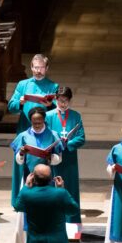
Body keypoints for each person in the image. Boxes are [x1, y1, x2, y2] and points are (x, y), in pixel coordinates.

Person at [45, 86, 86, 226]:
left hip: (69, 158)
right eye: (60, 100)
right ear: (56, 99)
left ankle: (73, 225)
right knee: (52, 187)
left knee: (71, 189)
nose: (63, 104)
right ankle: (53, 223)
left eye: (66, 101)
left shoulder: (76, 116)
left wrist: (68, 144)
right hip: (53, 158)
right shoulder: (49, 116)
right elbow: (46, 136)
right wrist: (56, 144)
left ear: (70, 101)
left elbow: (81, 137)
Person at [10, 107, 64, 209]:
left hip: (48, 177)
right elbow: (19, 161)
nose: (37, 125)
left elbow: (59, 159)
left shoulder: (53, 135)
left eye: (39, 122)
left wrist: (51, 157)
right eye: (34, 123)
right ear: (31, 121)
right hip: (30, 176)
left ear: (44, 120)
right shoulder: (23, 136)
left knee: (47, 206)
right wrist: (21, 154)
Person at [8, 53, 59, 133]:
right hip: (25, 129)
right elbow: (11, 108)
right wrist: (20, 103)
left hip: (44, 130)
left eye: (42, 67)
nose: (38, 71)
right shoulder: (22, 84)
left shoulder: (53, 86)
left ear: (46, 68)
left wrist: (50, 105)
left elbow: (58, 111)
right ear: (31, 67)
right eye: (36, 67)